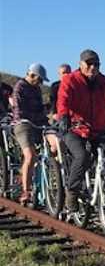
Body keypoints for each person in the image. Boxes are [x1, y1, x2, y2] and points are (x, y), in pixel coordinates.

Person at [56, 49, 105, 212]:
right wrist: (63, 116)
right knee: (81, 156)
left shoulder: (104, 82)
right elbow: (63, 100)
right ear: (80, 64)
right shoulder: (70, 80)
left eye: (96, 64)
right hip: (74, 128)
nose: (93, 67)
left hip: (97, 129)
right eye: (89, 64)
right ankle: (72, 192)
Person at [11, 64, 50, 205]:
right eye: (39, 80)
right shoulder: (19, 87)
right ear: (32, 75)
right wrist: (36, 116)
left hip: (37, 123)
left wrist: (46, 117)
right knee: (30, 155)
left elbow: (40, 109)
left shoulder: (37, 89)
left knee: (55, 144)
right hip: (23, 124)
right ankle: (26, 191)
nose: (40, 83)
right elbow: (18, 111)